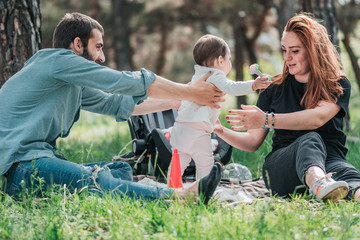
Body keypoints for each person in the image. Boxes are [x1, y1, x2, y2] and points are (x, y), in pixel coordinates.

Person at [0, 12, 223, 203]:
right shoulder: (57, 62)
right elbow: (127, 82)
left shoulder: (69, 81)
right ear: (77, 45)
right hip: (18, 167)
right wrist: (192, 92)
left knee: (121, 170)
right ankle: (178, 199)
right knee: (96, 178)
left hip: (35, 162)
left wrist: (177, 101)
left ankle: (87, 189)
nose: (102, 57)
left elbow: (115, 104)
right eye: (98, 47)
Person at [214, 13, 360, 201]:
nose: (287, 58)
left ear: (313, 50)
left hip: (330, 161)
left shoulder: (336, 84)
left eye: (295, 51)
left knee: (354, 183)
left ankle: (322, 185)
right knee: (310, 140)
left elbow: (316, 118)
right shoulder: (272, 88)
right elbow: (252, 142)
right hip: (282, 167)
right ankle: (317, 183)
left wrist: (267, 119)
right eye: (284, 50)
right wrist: (219, 130)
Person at [169, 34, 271, 180]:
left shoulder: (198, 74)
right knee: (205, 164)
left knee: (179, 162)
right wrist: (253, 85)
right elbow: (231, 87)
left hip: (181, 127)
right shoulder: (215, 74)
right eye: (229, 59)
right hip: (198, 130)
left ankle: (171, 189)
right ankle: (203, 190)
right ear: (220, 60)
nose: (230, 62)